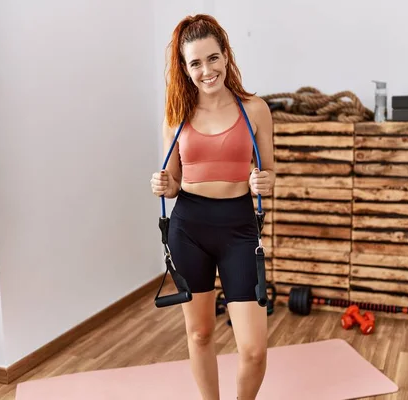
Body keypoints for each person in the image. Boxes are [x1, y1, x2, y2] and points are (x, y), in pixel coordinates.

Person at [149, 14, 275, 400]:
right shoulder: (177, 115)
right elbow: (172, 183)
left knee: (253, 350)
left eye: (213, 58)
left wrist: (265, 180)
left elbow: (268, 172)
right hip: (190, 226)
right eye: (196, 63)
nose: (207, 70)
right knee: (200, 333)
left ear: (226, 56)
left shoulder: (255, 110)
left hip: (238, 226)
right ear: (185, 70)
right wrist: (163, 183)